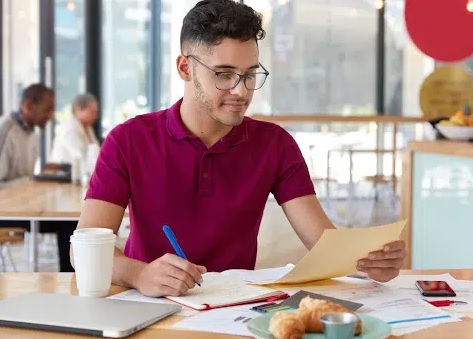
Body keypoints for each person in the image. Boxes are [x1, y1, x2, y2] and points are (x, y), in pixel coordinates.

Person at [73, 0, 406, 297]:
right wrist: (139, 274)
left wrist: (368, 263)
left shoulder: (276, 145)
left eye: (249, 75)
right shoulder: (128, 140)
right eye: (224, 74)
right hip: (150, 306)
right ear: (185, 68)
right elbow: (82, 251)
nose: (241, 90)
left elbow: (324, 244)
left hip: (237, 311)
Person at [0, 83, 75, 272]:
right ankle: (70, 280)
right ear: (28, 106)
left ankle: (73, 281)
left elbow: (24, 176)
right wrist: (33, 179)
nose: (51, 115)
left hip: (21, 206)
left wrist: (39, 175)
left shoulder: (31, 133)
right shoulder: (6, 131)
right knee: (67, 224)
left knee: (71, 223)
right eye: (47, 109)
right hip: (6, 212)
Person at [50, 93, 99, 164]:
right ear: (78, 109)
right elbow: (79, 155)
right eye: (92, 112)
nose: (95, 116)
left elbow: (96, 153)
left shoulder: (88, 128)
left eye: (96, 112)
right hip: (66, 172)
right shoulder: (69, 128)